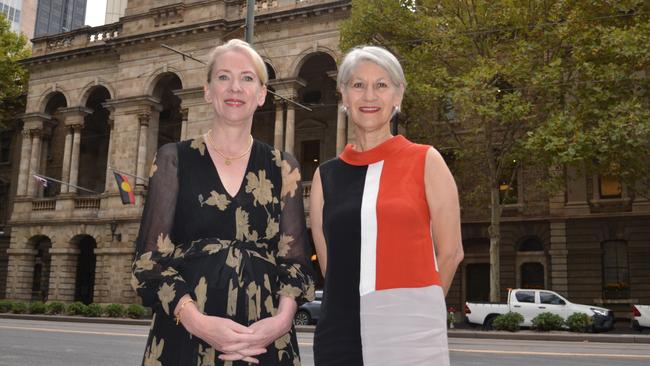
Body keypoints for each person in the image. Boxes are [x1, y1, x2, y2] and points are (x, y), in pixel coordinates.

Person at [132, 39, 315, 366]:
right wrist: (197, 322)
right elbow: (149, 261)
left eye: (247, 78)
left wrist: (281, 322)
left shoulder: (283, 166)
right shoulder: (174, 159)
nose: (235, 87)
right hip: (185, 333)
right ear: (207, 91)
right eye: (223, 77)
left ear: (261, 94)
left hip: (265, 337)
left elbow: (296, 261)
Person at [310, 46, 464, 366]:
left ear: (398, 96)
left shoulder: (426, 160)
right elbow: (331, 266)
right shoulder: (325, 176)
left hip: (408, 332)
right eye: (358, 85)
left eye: (381, 85)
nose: (369, 95)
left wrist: (419, 311)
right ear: (343, 95)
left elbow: (450, 253)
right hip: (339, 334)